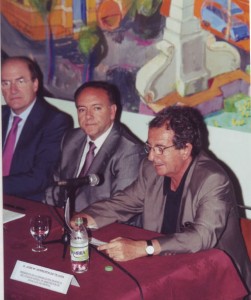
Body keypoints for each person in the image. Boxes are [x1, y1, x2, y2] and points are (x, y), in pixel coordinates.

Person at [71, 105, 251, 296]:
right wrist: (85, 218)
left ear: (185, 149)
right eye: (149, 146)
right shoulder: (151, 170)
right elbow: (124, 202)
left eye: (160, 149)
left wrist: (144, 247)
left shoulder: (212, 179)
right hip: (169, 265)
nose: (151, 156)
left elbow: (201, 236)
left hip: (215, 276)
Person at [45, 81, 145, 213]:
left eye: (96, 108)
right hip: (64, 218)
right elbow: (56, 186)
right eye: (82, 109)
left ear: (112, 112)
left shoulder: (129, 151)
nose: (88, 116)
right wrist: (47, 213)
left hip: (100, 224)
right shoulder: (72, 138)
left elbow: (120, 208)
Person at [1, 56, 73, 201]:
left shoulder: (55, 121)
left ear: (35, 84)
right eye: (6, 83)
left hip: (27, 203)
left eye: (20, 81)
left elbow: (40, 178)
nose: (13, 90)